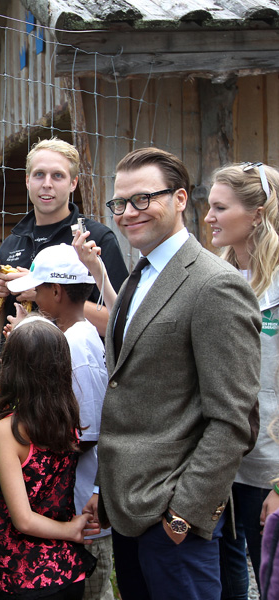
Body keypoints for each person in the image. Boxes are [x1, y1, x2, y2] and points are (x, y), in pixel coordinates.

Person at [84, 147, 261, 600]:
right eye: (120, 203)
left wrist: (185, 514)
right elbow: (127, 391)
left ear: (181, 198)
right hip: (127, 512)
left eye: (144, 199)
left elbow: (234, 418)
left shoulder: (214, 285)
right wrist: (106, 490)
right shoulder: (135, 279)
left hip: (174, 521)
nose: (128, 213)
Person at [6, 244, 113, 600]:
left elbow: (91, 431)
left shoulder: (78, 347)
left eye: (38, 288)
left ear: (56, 291)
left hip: (83, 508)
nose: (33, 294)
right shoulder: (68, 338)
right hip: (68, 509)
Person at [0, 317, 97, 599]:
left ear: (12, 367)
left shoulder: (7, 430)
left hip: (22, 574)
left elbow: (24, 520)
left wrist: (71, 530)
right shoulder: (66, 418)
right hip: (67, 571)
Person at [204, 161, 279, 599]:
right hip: (223, 461)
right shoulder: (220, 278)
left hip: (268, 469)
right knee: (225, 573)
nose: (209, 217)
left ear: (257, 213)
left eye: (220, 207)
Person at [0, 138, 128, 337]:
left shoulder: (96, 239)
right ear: (27, 181)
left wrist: (42, 292)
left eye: (58, 176)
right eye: (39, 175)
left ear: (73, 183)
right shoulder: (11, 245)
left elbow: (120, 323)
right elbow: (1, 327)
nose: (47, 184)